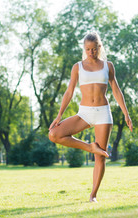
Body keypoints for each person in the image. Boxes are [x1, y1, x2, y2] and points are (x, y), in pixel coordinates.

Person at [48, 32, 133, 203]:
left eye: (94, 49)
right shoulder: (77, 67)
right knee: (54, 134)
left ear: (99, 48)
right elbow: (69, 92)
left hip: (103, 113)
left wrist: (126, 113)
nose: (91, 52)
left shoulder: (108, 66)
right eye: (87, 49)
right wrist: (59, 116)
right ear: (84, 49)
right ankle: (90, 147)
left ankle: (93, 195)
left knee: (100, 156)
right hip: (84, 113)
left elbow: (116, 90)